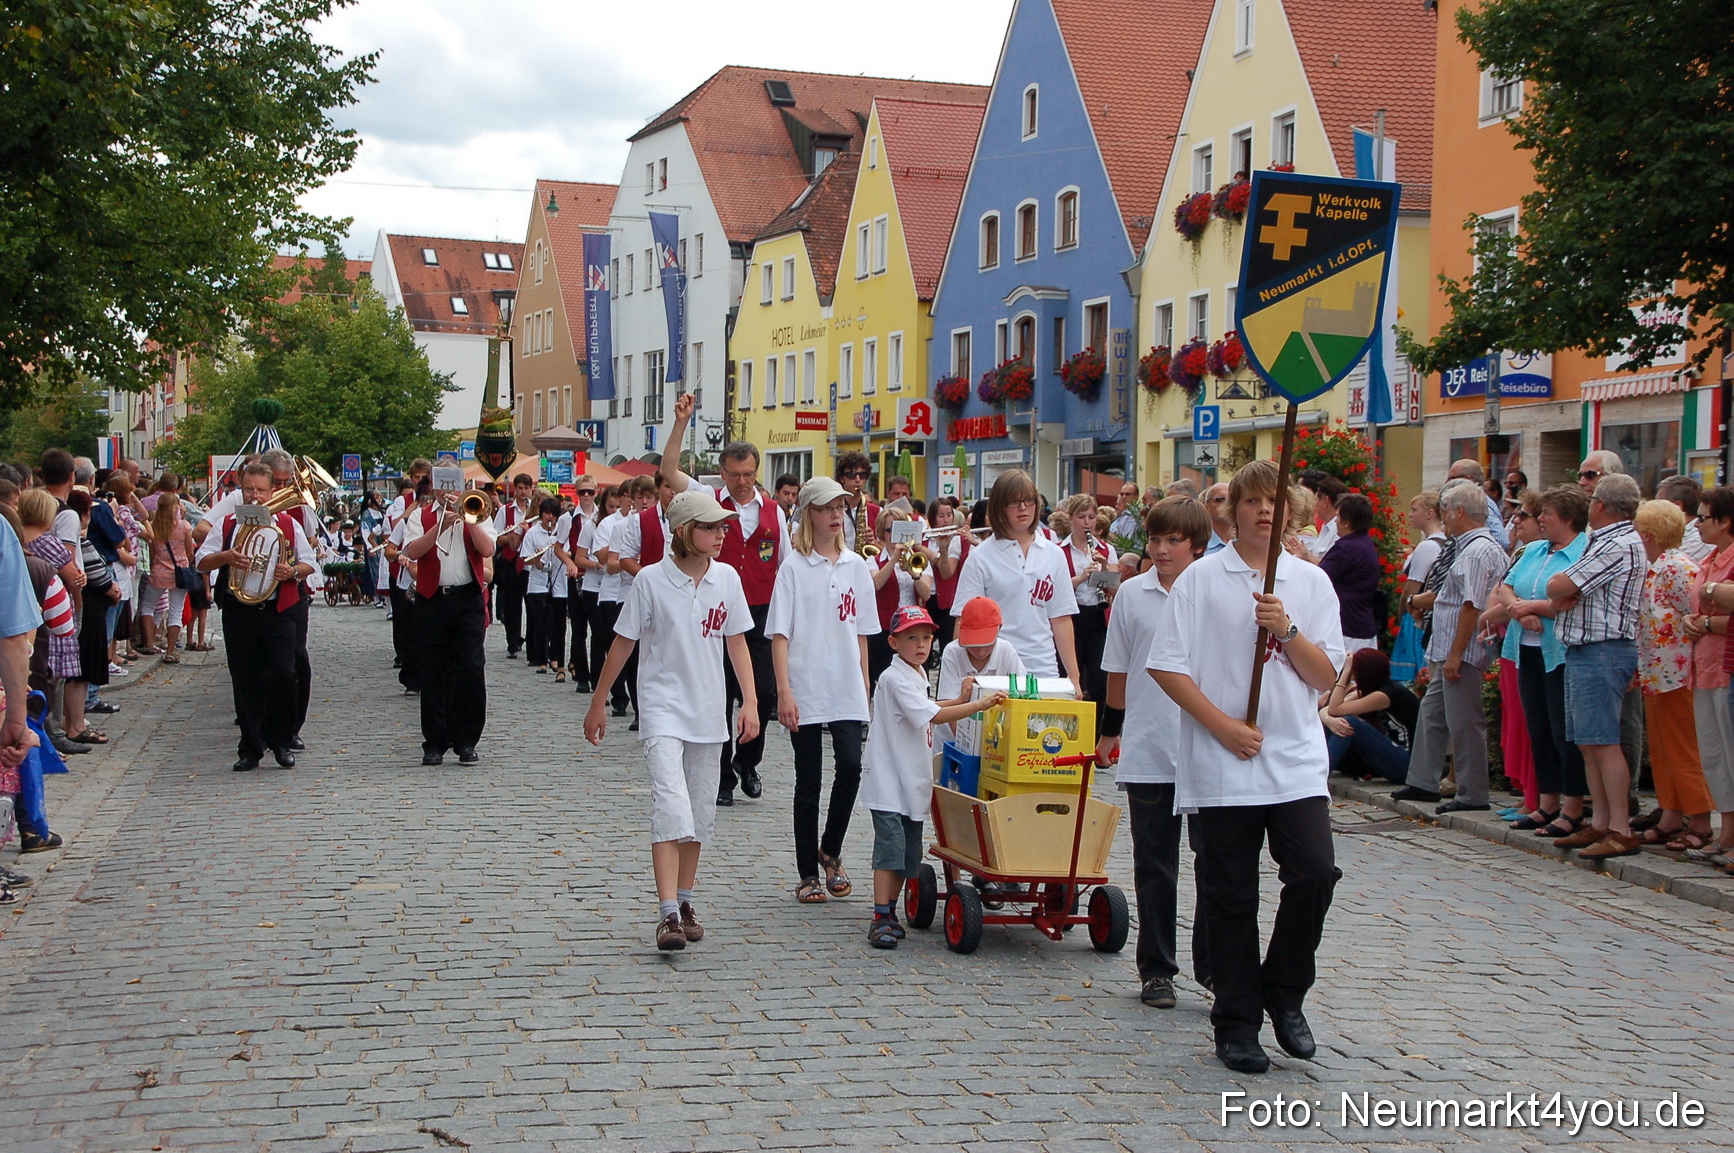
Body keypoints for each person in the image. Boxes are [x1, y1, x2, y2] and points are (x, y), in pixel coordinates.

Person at [1150, 458, 1345, 1074]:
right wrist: (1222, 726)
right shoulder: (1203, 580)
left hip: (1293, 757)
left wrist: (1286, 631)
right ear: (1232, 510)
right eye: (1252, 500)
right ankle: (1236, 1021)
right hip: (1225, 758)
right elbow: (1167, 665)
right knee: (1231, 896)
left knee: (1314, 872)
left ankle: (1284, 991)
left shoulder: (1311, 585)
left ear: (1289, 512)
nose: (1265, 510)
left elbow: (1326, 676)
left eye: (1274, 501)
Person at [583, 491, 759, 952]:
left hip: (708, 711)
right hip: (661, 709)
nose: (721, 534)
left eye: (723, 526)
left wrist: (751, 702)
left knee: (699, 815)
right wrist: (599, 701)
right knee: (672, 806)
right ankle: (665, 914)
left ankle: (685, 902)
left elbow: (737, 643)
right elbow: (622, 643)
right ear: (683, 531)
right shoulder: (651, 582)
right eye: (711, 527)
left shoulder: (727, 579)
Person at [1098, 496, 1213, 1010]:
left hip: (1208, 745)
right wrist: (1110, 730)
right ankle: (1157, 968)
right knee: (1155, 864)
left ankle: (1213, 966)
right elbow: (1118, 669)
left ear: (1197, 546)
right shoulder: (1132, 594)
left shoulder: (1214, 592)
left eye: (1173, 541)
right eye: (1155, 539)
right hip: (1149, 743)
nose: (1161, 550)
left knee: (1216, 864)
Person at [857, 605, 1005, 949]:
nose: (921, 645)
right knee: (890, 850)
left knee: (908, 852)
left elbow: (929, 706)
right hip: (890, 780)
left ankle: (890, 911)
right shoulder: (894, 678)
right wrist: (978, 705)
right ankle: (880, 915)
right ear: (894, 643)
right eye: (912, 638)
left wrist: (960, 698)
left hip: (910, 780)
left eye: (925, 637)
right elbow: (935, 716)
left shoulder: (916, 674)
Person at [660, 412, 782, 808]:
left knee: (762, 692)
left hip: (761, 610)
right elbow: (668, 470)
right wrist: (681, 423)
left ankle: (748, 762)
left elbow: (782, 564)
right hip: (717, 609)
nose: (742, 482)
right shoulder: (706, 499)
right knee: (722, 692)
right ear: (722, 473)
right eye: (734, 474)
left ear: (756, 471)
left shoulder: (775, 511)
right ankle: (723, 778)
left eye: (748, 474)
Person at [768, 476, 878, 904]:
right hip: (806, 683)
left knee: (851, 766)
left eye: (840, 508)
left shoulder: (855, 567)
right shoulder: (794, 566)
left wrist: (864, 686)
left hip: (845, 683)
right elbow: (780, 634)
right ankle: (807, 872)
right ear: (809, 513)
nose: (836, 515)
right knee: (808, 778)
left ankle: (830, 849)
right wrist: (784, 691)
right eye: (827, 507)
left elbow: (863, 633)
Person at [1545, 473, 1646, 858]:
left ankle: (1619, 826)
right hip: (1585, 650)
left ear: (1600, 505)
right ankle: (1600, 822)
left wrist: (1562, 591)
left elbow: (1560, 585)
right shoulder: (1601, 541)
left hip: (1604, 650)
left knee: (1603, 742)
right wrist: (1561, 594)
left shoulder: (1618, 543)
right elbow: (1558, 594)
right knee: (1588, 742)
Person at [1391, 482, 1507, 813]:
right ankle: (1423, 781)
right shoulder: (1466, 547)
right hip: (1448, 649)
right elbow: (1452, 598)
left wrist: (1456, 654)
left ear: (1458, 512)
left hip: (1464, 650)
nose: (1443, 518)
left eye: (1445, 511)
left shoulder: (1477, 550)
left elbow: (1471, 605)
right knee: (1433, 714)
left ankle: (1472, 792)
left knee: (1464, 722)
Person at [193, 462, 317, 772]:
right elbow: (201, 563)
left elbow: (309, 563)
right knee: (244, 679)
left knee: (283, 674)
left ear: (272, 490)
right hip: (239, 610)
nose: (255, 496)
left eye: (261, 490)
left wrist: (292, 571)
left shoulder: (288, 524)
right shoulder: (226, 525)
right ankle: (250, 747)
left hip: (278, 610)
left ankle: (281, 740)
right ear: (240, 489)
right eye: (249, 490)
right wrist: (227, 557)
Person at [1497, 486, 1591, 839]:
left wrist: (1532, 608)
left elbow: (1572, 601)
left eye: (1546, 513)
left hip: (1559, 651)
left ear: (1566, 518)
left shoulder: (1582, 553)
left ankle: (1572, 807)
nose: (1539, 519)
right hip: (1525, 647)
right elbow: (1506, 586)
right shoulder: (1534, 549)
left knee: (1562, 731)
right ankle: (1547, 801)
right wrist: (1517, 610)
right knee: (1537, 728)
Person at [953, 469, 1082, 696]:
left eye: (1029, 500)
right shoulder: (980, 557)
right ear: (999, 507)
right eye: (1014, 502)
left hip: (1043, 671)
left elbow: (1061, 619)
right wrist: (962, 678)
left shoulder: (1054, 554)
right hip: (995, 672)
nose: (1023, 508)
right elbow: (964, 621)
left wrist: (1074, 679)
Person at [400, 477, 498, 767]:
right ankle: (435, 742)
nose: (448, 494)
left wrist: (469, 521)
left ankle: (466, 740)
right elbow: (412, 551)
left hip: (467, 599)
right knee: (433, 672)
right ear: (434, 488)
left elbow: (488, 550)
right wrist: (438, 527)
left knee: (470, 668)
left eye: (453, 487)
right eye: (442, 487)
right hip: (432, 600)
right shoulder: (421, 515)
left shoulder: (477, 511)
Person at [1631, 500, 1712, 847]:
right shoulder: (1654, 567)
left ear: (1648, 534)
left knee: (1683, 748)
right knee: (1663, 749)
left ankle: (1701, 821)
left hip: (1678, 672)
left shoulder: (1677, 567)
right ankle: (1671, 813)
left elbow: (1695, 612)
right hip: (1656, 671)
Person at [1684, 487, 1734, 865]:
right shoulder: (1711, 558)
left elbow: (1722, 616)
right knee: (1715, 756)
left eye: (1704, 517)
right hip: (1704, 667)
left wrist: (1707, 621)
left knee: (1731, 754)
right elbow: (1699, 604)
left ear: (1725, 521)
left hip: (1726, 668)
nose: (1697, 524)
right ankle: (1726, 834)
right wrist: (1694, 620)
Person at [935, 597, 1026, 749]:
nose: (981, 651)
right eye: (974, 645)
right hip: (953, 742)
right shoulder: (953, 652)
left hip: (997, 741)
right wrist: (968, 749)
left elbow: (1023, 696)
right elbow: (949, 711)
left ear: (999, 629)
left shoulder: (1006, 651)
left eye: (987, 644)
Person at [1321, 648, 1418, 784]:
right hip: (1392, 757)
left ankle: (1319, 777)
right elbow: (1327, 711)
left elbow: (1335, 708)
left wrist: (1345, 674)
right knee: (1337, 725)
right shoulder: (1372, 690)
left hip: (1407, 765)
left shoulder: (1386, 694)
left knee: (1349, 723)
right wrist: (1329, 721)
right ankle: (1314, 772)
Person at [1057, 494, 1115, 705]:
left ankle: (1099, 733)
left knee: (1100, 681)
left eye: (1091, 517)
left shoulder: (1106, 549)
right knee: (1069, 677)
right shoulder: (1059, 551)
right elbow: (1056, 589)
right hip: (1070, 617)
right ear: (1071, 518)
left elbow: (1113, 590)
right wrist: (1082, 577)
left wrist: (1105, 568)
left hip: (1097, 617)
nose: (1087, 522)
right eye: (1082, 517)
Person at [867, 507, 934, 688]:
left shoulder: (918, 559)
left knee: (917, 682)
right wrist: (893, 560)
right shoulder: (873, 560)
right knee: (885, 682)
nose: (894, 535)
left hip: (914, 628)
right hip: (885, 630)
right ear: (882, 533)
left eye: (898, 529)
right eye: (890, 530)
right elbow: (876, 584)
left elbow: (926, 593)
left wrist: (914, 574)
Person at [1318, 493, 1383, 653]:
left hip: (1348, 629)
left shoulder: (1346, 548)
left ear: (1347, 522)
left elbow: (1319, 577)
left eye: (1338, 518)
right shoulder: (1364, 543)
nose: (1336, 523)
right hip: (1360, 624)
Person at [573, 485, 620, 699]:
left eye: (618, 506)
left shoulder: (624, 524)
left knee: (613, 639)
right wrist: (598, 565)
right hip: (593, 587)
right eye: (611, 506)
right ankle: (595, 679)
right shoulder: (592, 526)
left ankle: (615, 683)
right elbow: (579, 558)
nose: (614, 510)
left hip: (614, 588)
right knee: (599, 636)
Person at [146, 492, 195, 663]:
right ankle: (170, 650)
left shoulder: (154, 526)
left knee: (147, 607)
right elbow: (190, 552)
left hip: (159, 571)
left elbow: (152, 552)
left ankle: (149, 643)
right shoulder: (184, 526)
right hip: (179, 572)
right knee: (176, 612)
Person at [520, 497, 566, 678]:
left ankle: (555, 657)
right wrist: (537, 559)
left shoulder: (561, 533)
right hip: (538, 582)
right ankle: (541, 660)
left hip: (557, 582)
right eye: (546, 513)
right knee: (540, 623)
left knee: (556, 623)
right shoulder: (533, 533)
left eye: (553, 514)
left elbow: (567, 553)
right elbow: (525, 557)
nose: (550, 517)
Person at [491, 473, 537, 659]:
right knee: (512, 604)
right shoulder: (506, 510)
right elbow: (496, 536)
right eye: (520, 488)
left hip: (530, 562)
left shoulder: (535, 508)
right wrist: (509, 538)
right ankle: (513, 641)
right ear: (515, 488)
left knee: (532, 602)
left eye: (526, 488)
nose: (523, 491)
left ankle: (533, 641)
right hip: (511, 560)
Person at [562, 475, 599, 691]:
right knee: (578, 628)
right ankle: (582, 675)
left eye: (590, 492)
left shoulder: (600, 516)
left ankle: (597, 675)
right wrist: (569, 562)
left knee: (598, 629)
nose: (586, 496)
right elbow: (559, 546)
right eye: (582, 492)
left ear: (596, 492)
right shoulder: (569, 518)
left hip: (595, 577)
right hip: (577, 576)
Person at [1445, 458, 1511, 549]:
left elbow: (1502, 541)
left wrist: (1476, 551)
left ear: (1468, 479)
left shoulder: (1481, 504)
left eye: (1451, 478)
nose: (1447, 483)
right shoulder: (1476, 502)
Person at [1657, 474, 1712, 563]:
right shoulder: (1673, 533)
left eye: (1658, 503)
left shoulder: (1698, 538)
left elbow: (1668, 566)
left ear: (1677, 506)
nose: (1653, 508)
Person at [836, 451, 879, 554]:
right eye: (851, 475)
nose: (858, 480)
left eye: (862, 475)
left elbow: (888, 549)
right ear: (842, 478)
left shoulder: (877, 511)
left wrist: (874, 542)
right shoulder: (834, 510)